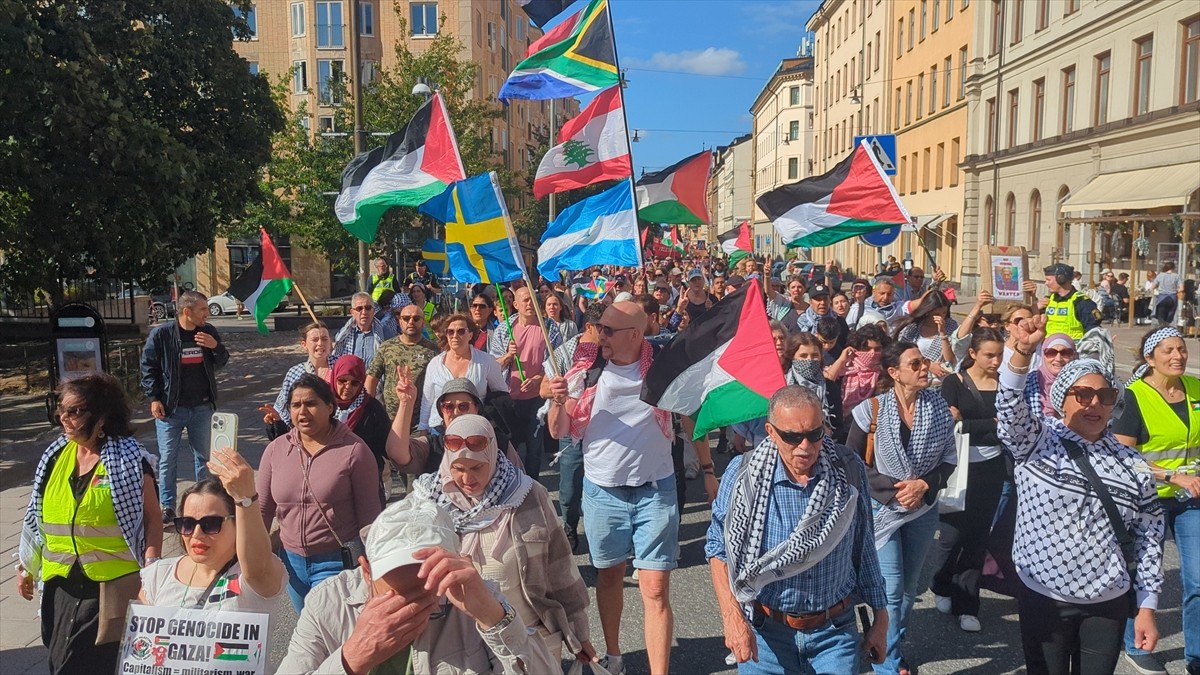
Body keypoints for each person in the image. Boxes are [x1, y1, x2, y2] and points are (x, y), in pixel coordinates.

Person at [999, 316, 1165, 675]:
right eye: (1083, 394)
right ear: (1061, 399)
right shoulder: (1037, 443)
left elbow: (1151, 535)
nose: (1094, 404)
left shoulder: (1132, 463)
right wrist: (1022, 354)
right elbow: (1009, 411)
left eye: (1105, 396)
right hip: (1044, 596)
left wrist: (1148, 607)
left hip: (1108, 601)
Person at [706, 386, 888, 673]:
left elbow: (863, 544)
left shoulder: (847, 469)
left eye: (814, 434)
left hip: (835, 633)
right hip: (767, 636)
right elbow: (718, 550)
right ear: (771, 431)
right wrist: (732, 618)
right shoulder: (742, 476)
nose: (806, 446)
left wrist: (880, 618)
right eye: (792, 436)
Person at [546, 301, 680, 675]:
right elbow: (558, 430)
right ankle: (615, 654)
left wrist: (706, 467)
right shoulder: (585, 370)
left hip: (656, 489)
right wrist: (557, 401)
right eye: (598, 327)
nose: (597, 335)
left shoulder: (664, 368)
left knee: (654, 589)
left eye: (607, 330)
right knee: (609, 576)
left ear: (636, 335)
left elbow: (690, 407)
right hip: (603, 491)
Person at [277, 497, 558, 674]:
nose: (410, 610)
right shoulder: (328, 603)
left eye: (428, 592)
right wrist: (352, 658)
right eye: (397, 596)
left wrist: (493, 617)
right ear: (366, 570)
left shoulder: (473, 597)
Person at [410, 414, 594, 663]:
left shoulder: (526, 495)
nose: (466, 479)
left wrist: (579, 632)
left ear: (493, 456)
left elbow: (560, 567)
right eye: (458, 469)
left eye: (477, 468)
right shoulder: (428, 502)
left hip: (528, 638)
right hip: (461, 648)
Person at [18, 374, 162, 674]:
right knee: (58, 660)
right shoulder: (55, 456)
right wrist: (27, 566)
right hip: (60, 584)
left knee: (83, 665)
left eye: (74, 411)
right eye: (61, 410)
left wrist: (152, 568)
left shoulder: (131, 459)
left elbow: (152, 517)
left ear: (101, 417)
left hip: (110, 587)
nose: (64, 418)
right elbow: (36, 516)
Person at [846, 342, 957, 675]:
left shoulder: (938, 408)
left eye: (924, 362)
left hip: (923, 509)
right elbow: (851, 462)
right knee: (891, 590)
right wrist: (894, 492)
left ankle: (888, 644)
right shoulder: (871, 410)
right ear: (894, 373)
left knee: (909, 591)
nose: (924, 367)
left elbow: (949, 459)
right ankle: (887, 664)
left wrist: (924, 484)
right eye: (915, 363)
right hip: (883, 511)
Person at [257, 374, 384, 611]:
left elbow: (370, 517)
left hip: (336, 562)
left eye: (311, 403)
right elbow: (262, 510)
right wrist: (250, 557)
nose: (302, 411)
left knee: (330, 635)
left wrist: (375, 566)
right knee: (308, 634)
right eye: (295, 405)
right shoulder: (276, 450)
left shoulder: (355, 451)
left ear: (330, 407)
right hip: (290, 563)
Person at [1114, 326, 1200, 675]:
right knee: (1140, 576)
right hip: (1146, 500)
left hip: (1190, 498)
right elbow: (1121, 454)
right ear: (1150, 358)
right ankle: (1136, 644)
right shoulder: (1134, 396)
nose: (1178, 356)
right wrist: (1169, 475)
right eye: (1168, 350)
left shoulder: (1195, 388)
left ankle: (1195, 655)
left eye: (1181, 349)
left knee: (1197, 579)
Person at [929, 328, 1008, 633]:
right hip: (958, 468)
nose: (996, 360)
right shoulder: (955, 382)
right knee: (950, 538)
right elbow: (951, 423)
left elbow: (1009, 426)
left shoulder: (1005, 384)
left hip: (992, 468)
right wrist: (991, 424)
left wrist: (973, 423)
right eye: (989, 354)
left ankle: (968, 604)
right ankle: (941, 584)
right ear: (972, 353)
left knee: (977, 539)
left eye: (1000, 354)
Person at [139, 467, 286, 613]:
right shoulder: (158, 575)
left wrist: (245, 498)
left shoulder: (253, 576)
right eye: (187, 524)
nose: (197, 534)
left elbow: (258, 569)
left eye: (210, 524)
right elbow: (138, 634)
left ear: (237, 524)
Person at [140, 289, 229, 522]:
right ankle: (167, 506)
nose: (207, 315)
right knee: (168, 458)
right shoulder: (162, 335)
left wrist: (215, 346)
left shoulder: (207, 332)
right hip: (171, 409)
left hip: (202, 408)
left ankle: (204, 503)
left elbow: (222, 360)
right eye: (202, 310)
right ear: (187, 311)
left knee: (204, 458)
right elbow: (148, 367)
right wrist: (154, 398)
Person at [489, 286, 562, 480]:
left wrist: (538, 379)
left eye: (533, 299)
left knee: (534, 448)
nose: (530, 304)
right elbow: (492, 364)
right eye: (525, 300)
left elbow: (559, 362)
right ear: (515, 304)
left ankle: (532, 486)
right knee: (507, 447)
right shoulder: (504, 331)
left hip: (537, 398)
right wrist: (508, 356)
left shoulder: (550, 329)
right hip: (508, 398)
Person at [420, 313, 508, 431]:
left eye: (461, 331)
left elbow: (502, 395)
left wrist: (492, 422)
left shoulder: (486, 361)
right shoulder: (435, 364)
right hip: (439, 428)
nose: (455, 336)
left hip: (475, 428)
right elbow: (427, 400)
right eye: (450, 332)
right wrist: (423, 428)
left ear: (470, 335)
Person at [325, 355, 392, 505]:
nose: (348, 387)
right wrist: (276, 424)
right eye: (342, 381)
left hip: (365, 481)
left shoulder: (372, 409)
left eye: (355, 382)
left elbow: (387, 446)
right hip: (329, 481)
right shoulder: (323, 405)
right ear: (334, 377)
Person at [366, 303, 440, 419]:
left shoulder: (434, 351)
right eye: (406, 318)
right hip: (389, 420)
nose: (411, 322)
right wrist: (369, 409)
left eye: (416, 319)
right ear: (400, 321)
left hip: (419, 421)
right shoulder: (387, 347)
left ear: (423, 322)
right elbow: (371, 379)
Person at [262, 321, 335, 432]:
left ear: (330, 342)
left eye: (325, 339)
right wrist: (276, 419)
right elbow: (283, 407)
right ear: (304, 344)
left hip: (334, 432)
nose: (320, 343)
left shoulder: (341, 367)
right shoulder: (294, 372)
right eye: (315, 340)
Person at [894, 289, 958, 381]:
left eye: (944, 312)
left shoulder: (951, 326)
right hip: (914, 378)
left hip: (938, 381)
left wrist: (943, 333)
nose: (941, 316)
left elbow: (950, 359)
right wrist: (928, 365)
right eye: (936, 314)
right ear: (928, 311)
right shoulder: (913, 328)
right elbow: (902, 353)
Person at [832, 323, 889, 413]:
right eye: (867, 349)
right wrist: (841, 360)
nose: (872, 353)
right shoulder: (844, 369)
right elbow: (827, 380)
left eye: (877, 349)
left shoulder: (886, 373)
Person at [1037, 262, 1101, 341]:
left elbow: (1093, 330)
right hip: (1049, 350)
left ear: (1061, 279)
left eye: (1048, 280)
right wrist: (1036, 307)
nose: (1046, 283)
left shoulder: (1081, 302)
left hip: (1073, 350)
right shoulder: (1048, 300)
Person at [334, 291, 391, 366]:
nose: (364, 312)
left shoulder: (385, 332)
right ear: (352, 312)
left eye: (368, 308)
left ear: (373, 311)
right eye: (359, 308)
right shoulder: (344, 335)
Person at [1153, 262, 1182, 326]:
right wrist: (1176, 290)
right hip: (1172, 298)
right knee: (1169, 316)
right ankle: (1167, 327)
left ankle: (1162, 328)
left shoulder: (1160, 275)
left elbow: (1153, 286)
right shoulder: (1177, 276)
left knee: (1161, 315)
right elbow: (1182, 288)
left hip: (1162, 298)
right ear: (1173, 268)